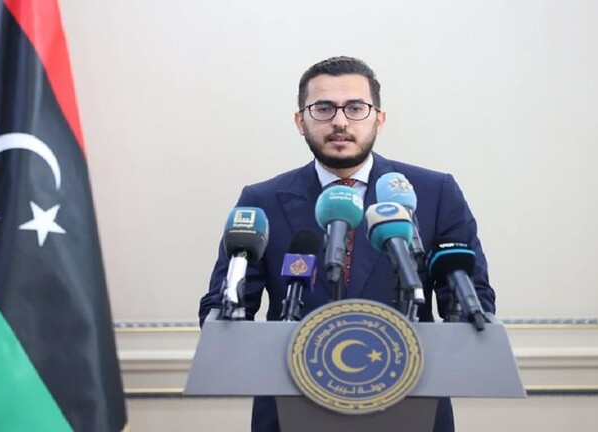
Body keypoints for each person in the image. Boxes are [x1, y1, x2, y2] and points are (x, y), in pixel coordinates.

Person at [198, 56, 496, 432]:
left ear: (379, 119)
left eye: (355, 108)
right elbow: (221, 307)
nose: (340, 121)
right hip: (293, 410)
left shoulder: (434, 193)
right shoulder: (263, 200)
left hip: (410, 407)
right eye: (323, 108)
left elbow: (474, 299)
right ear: (300, 121)